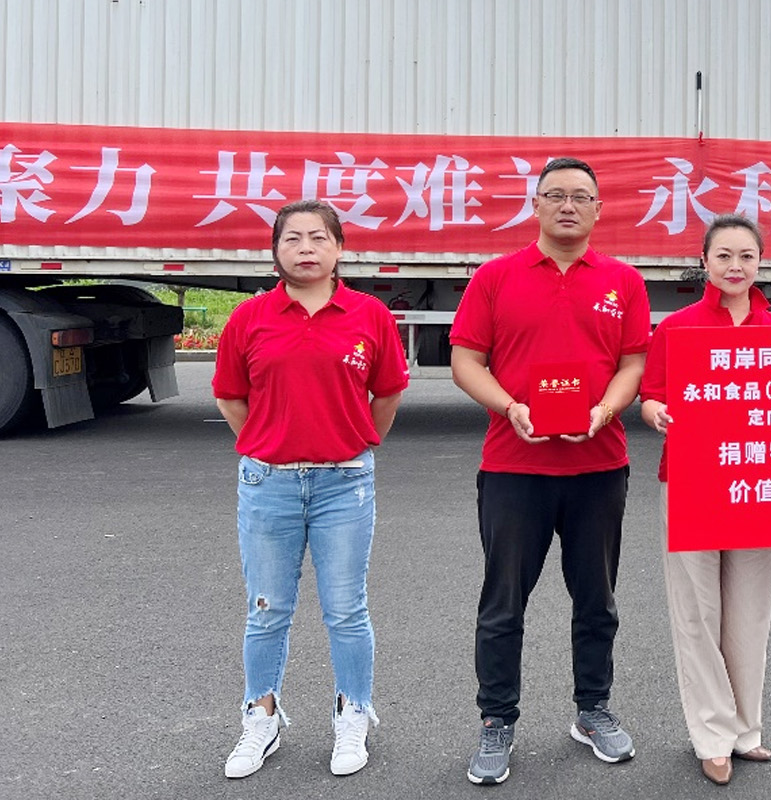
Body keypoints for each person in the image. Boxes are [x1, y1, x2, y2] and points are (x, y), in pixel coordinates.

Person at [449, 157, 651, 785]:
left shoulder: (623, 281)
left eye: (581, 197)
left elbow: (633, 364)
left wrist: (604, 411)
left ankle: (593, 710)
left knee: (596, 601)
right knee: (503, 604)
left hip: (599, 465)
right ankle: (496, 720)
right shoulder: (495, 277)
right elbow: (466, 360)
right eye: (555, 195)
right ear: (535, 205)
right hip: (514, 467)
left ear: (598, 210)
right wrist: (509, 406)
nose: (568, 205)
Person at [213, 199, 409, 779]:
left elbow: (388, 392)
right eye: (292, 238)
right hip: (267, 482)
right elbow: (229, 395)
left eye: (318, 237)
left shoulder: (369, 315)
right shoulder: (250, 318)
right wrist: (268, 442)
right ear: (275, 251)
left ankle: (352, 713)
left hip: (344, 484)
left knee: (346, 609)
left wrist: (358, 441)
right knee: (266, 609)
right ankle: (261, 717)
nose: (305, 248)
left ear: (339, 248)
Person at [638, 214, 771, 786]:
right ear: (704, 262)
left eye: (746, 256)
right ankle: (711, 734)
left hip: (758, 485)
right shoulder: (677, 328)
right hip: (692, 481)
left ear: (760, 263)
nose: (735, 266)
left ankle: (746, 729)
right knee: (697, 613)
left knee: (750, 610)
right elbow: (651, 396)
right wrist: (657, 413)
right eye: (723, 255)